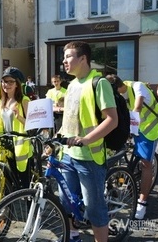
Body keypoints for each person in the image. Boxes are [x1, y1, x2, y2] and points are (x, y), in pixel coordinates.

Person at [60, 41, 118, 242]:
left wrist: (86, 140)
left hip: (89, 157)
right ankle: (74, 236)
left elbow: (112, 119)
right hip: (67, 155)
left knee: (95, 210)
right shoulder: (72, 84)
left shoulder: (99, 83)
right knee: (67, 203)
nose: (64, 60)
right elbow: (70, 119)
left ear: (83, 58)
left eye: (68, 56)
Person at [105, 74, 158, 220]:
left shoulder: (137, 87)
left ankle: (142, 202)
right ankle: (129, 181)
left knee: (145, 164)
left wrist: (129, 128)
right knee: (121, 154)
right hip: (135, 127)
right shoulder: (121, 90)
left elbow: (137, 107)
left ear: (117, 88)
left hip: (149, 129)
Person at [0, 67, 32, 189]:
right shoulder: (4, 100)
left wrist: (19, 117)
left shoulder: (24, 100)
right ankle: (10, 205)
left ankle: (29, 206)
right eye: (4, 81)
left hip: (20, 147)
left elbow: (32, 125)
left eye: (10, 82)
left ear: (17, 84)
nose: (6, 85)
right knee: (9, 179)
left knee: (25, 183)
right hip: (5, 144)